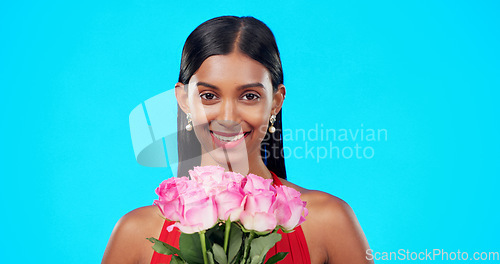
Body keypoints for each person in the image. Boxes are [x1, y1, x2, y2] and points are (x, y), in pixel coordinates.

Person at [102, 15, 373, 264]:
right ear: (184, 100)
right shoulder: (134, 234)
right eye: (209, 95)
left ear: (276, 102)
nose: (228, 117)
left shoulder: (329, 221)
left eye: (250, 96)